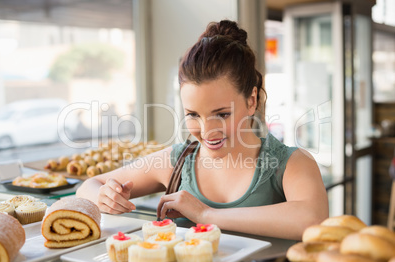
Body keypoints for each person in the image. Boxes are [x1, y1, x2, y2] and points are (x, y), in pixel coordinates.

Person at [76, 20, 328, 240]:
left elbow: (311, 219)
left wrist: (206, 214)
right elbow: (88, 186)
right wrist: (105, 195)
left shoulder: (292, 163)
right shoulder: (177, 161)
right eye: (193, 115)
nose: (208, 131)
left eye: (222, 114)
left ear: (251, 101)